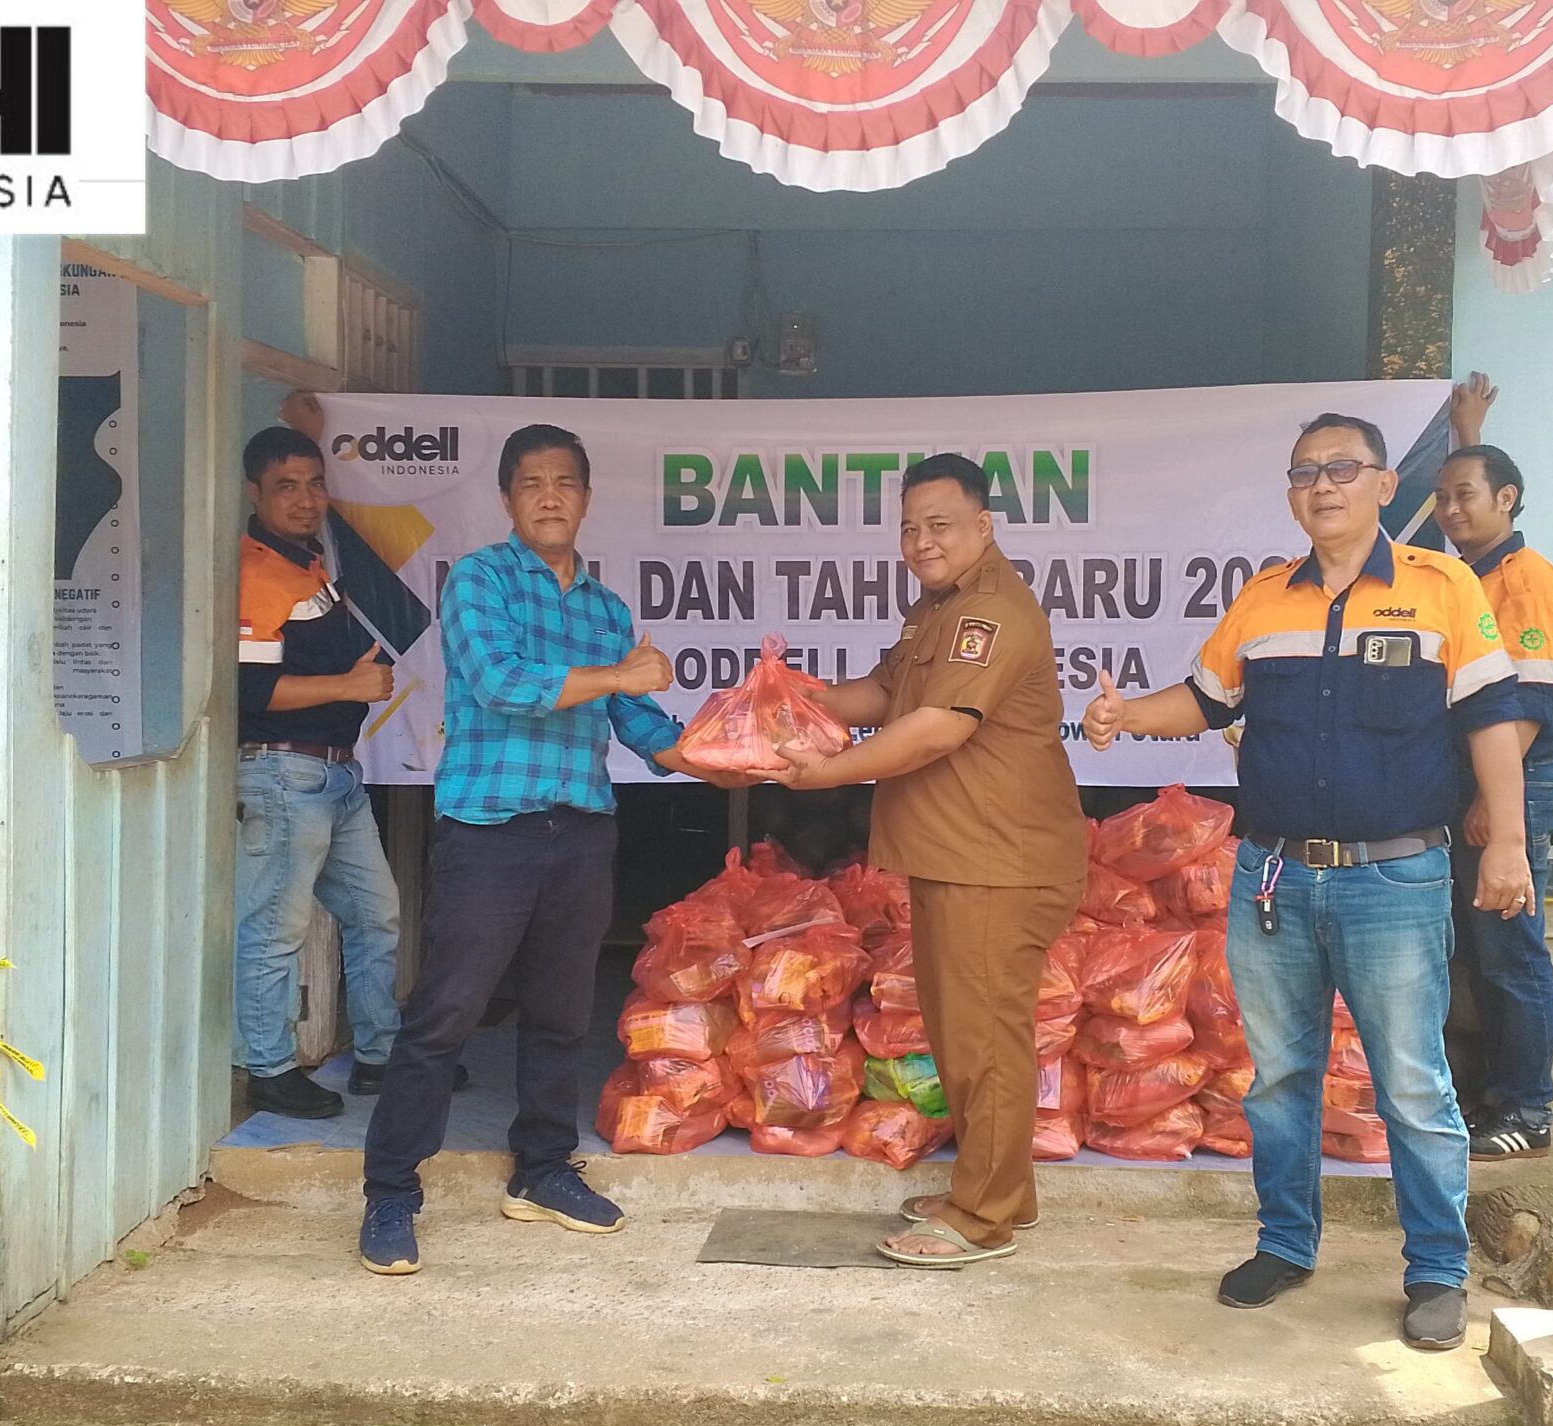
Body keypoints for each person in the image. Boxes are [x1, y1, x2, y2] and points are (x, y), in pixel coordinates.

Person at [1082, 413, 1535, 1351]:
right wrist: (1126, 718)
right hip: (1275, 879)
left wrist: (1509, 843)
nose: (1323, 485)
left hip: (1395, 878)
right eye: (1304, 473)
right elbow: (1205, 700)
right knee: (1279, 1078)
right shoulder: (1264, 600)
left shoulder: (1441, 587)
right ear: (1291, 495)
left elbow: (1494, 717)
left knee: (1412, 1084)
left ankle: (1436, 1270)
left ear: (1383, 485)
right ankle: (1285, 1244)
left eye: (1342, 468)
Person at [358, 423, 748, 1277]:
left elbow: (639, 721)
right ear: (507, 499)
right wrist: (620, 677)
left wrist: (717, 761)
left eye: (564, 482)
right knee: (445, 1013)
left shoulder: (606, 610)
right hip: (490, 831)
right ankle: (390, 1189)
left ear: (585, 498)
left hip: (580, 831)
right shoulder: (480, 581)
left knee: (562, 1014)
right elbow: (501, 683)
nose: (548, 496)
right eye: (531, 482)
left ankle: (541, 1169)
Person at [772, 453, 1088, 1267]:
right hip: (960, 856)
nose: (921, 542)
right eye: (910, 527)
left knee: (985, 1040)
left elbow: (941, 726)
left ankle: (982, 1219)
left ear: (984, 526)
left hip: (998, 859)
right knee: (964, 1035)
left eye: (939, 525)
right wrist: (796, 697)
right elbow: (886, 694)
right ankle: (1002, 1192)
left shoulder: (993, 613)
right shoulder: (937, 609)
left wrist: (826, 771)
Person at [234, 425, 405, 1120]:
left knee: (375, 915)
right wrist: (348, 686)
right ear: (254, 492)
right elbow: (248, 693)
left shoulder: (305, 563)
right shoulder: (254, 573)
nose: (305, 499)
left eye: (314, 484)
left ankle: (380, 1056)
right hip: (284, 775)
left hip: (336, 777)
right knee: (276, 929)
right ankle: (269, 1070)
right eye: (286, 487)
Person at [1433, 377, 1553, 1162]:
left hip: (1513, 782)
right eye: (1443, 498)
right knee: (1473, 955)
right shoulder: (1471, 576)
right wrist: (1469, 433)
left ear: (1508, 500)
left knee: (1511, 954)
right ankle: (1482, 1099)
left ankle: (1526, 1109)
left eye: (1466, 496)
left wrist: (1498, 803)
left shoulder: (1527, 579)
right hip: (1473, 788)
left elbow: (1528, 703)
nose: (1451, 509)